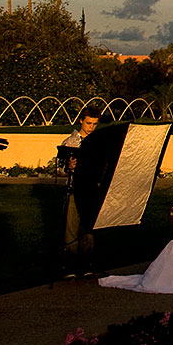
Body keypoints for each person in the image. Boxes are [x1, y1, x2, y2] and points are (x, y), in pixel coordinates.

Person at [60, 106, 102, 276]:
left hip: (92, 190)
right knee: (71, 227)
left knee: (89, 229)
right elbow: (59, 169)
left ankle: (86, 265)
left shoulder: (99, 142)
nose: (91, 127)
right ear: (81, 121)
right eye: (88, 123)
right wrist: (68, 167)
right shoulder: (70, 142)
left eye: (94, 124)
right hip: (74, 190)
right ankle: (70, 265)